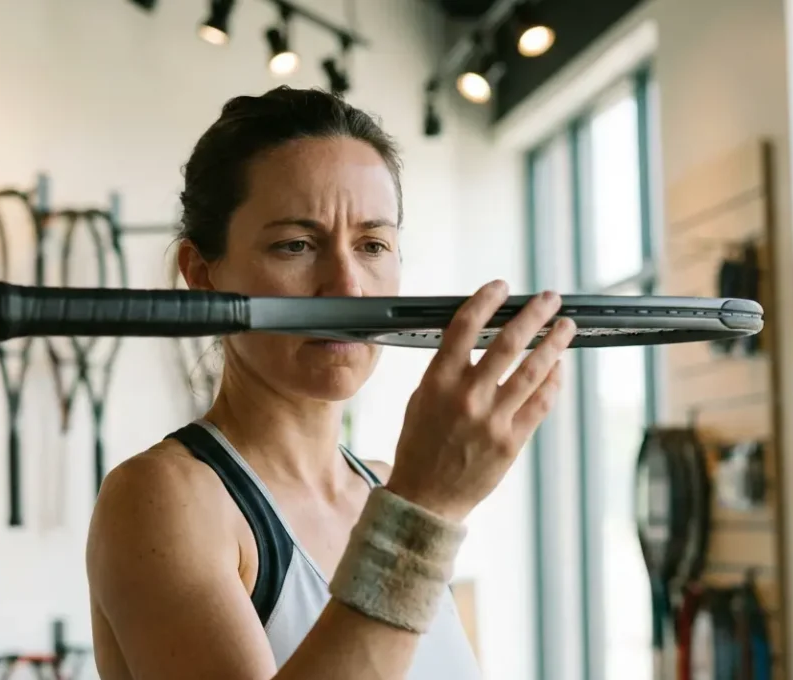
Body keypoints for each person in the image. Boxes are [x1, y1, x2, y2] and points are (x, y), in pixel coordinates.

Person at [85, 86, 576, 680]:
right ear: (202, 275)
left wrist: (418, 508)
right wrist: (424, 512)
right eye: (296, 245)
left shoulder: (387, 487)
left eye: (373, 245)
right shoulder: (163, 498)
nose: (347, 287)